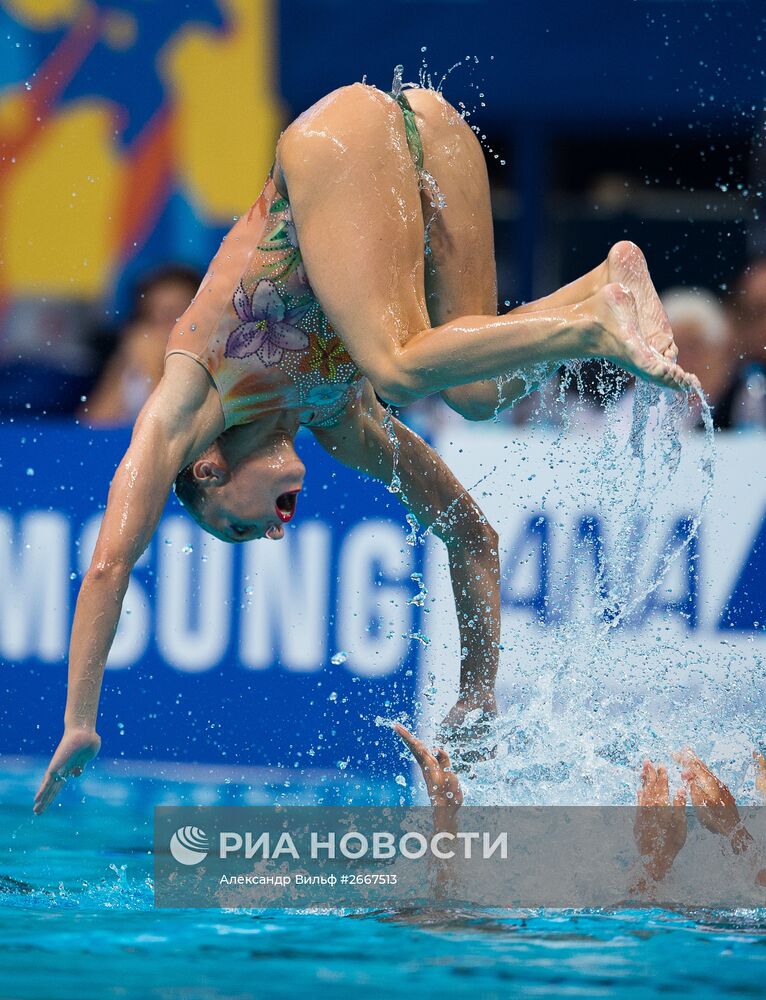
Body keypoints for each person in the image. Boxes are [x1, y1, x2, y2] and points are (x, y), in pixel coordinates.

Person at [34, 79, 698, 814]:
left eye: (239, 527)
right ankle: (601, 286)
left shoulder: (190, 400)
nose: (273, 531)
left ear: (209, 468)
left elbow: (109, 563)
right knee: (477, 392)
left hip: (335, 136)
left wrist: (80, 722)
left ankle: (594, 324)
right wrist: (477, 691)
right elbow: (470, 533)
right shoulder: (342, 420)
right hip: (427, 134)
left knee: (399, 366)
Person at [81, 265, 203, 426]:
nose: (162, 326)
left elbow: (172, 427)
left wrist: (153, 368)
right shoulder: (137, 355)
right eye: (153, 314)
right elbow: (92, 427)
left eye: (173, 314)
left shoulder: (210, 368)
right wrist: (127, 362)